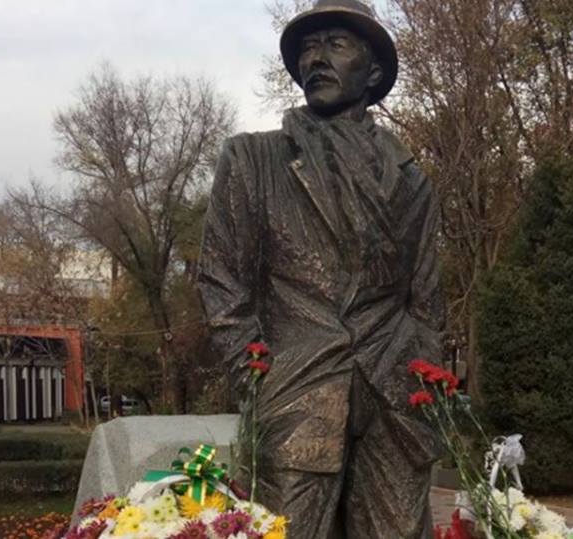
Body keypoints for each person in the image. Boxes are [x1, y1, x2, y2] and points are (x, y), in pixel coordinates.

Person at [197, 1, 443, 536]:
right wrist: (257, 380)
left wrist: (421, 378)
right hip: (297, 389)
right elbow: (222, 281)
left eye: (336, 44)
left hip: (393, 395)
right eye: (308, 47)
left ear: (372, 71)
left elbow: (426, 299)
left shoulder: (411, 180)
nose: (316, 58)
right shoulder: (253, 160)